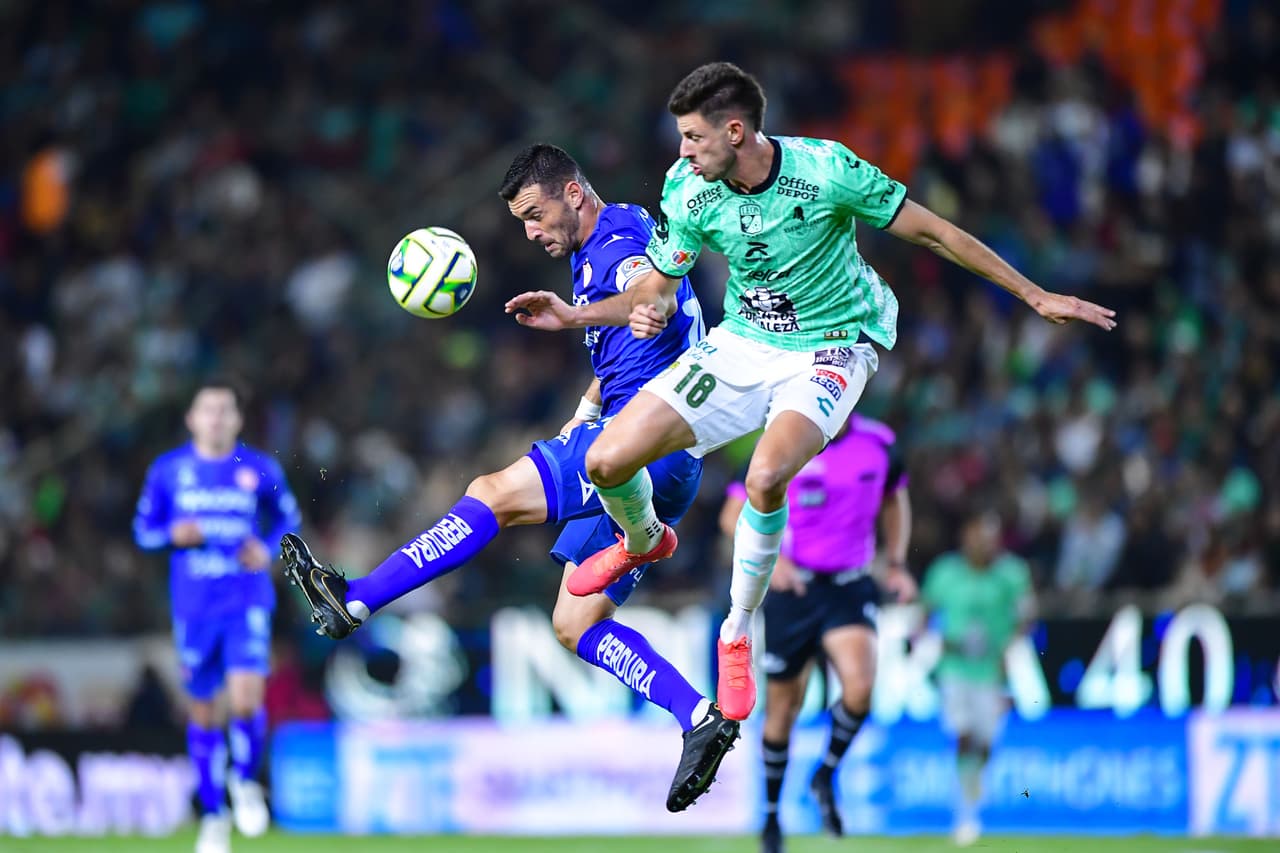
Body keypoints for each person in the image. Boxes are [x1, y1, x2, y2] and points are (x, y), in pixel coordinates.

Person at [506, 61, 1115, 721]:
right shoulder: (687, 189)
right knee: (606, 459)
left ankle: (736, 629)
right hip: (747, 339)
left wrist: (1033, 293)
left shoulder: (826, 171)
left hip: (834, 343)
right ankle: (642, 538)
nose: (681, 151)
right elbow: (653, 286)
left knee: (766, 475)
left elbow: (935, 231)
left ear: (734, 131)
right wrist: (603, 311)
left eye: (692, 137)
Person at [282, 144, 738, 813]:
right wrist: (582, 411)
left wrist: (576, 316)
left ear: (574, 192)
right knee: (575, 622)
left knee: (490, 494)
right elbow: (627, 345)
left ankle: (354, 600)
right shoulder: (623, 229)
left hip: (645, 441)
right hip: (657, 446)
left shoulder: (613, 243)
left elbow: (653, 301)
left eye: (534, 214)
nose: (530, 232)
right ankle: (700, 716)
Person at [720, 415, 913, 853]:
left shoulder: (879, 444)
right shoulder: (781, 440)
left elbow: (895, 497)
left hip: (848, 585)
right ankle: (771, 818)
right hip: (793, 589)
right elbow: (733, 516)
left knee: (860, 690)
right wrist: (775, 561)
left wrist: (897, 562)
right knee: (783, 711)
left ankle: (825, 772)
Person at [133, 379, 301, 853]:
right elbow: (143, 531)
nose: (217, 418)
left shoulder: (259, 468)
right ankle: (213, 813)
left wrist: (266, 550)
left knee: (247, 695)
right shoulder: (168, 471)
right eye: (208, 410)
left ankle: (245, 782)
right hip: (194, 605)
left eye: (225, 410)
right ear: (192, 418)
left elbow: (288, 520)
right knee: (203, 711)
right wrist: (172, 534)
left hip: (246, 598)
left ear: (238, 420)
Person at [921, 510, 1035, 846]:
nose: (983, 544)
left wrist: (1008, 647)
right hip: (954, 668)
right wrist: (941, 639)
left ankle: (972, 785)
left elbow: (1026, 615)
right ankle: (965, 811)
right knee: (964, 733)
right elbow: (925, 615)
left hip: (990, 671)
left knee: (985, 741)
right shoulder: (945, 572)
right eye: (977, 536)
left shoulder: (1012, 573)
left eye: (989, 537)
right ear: (965, 538)